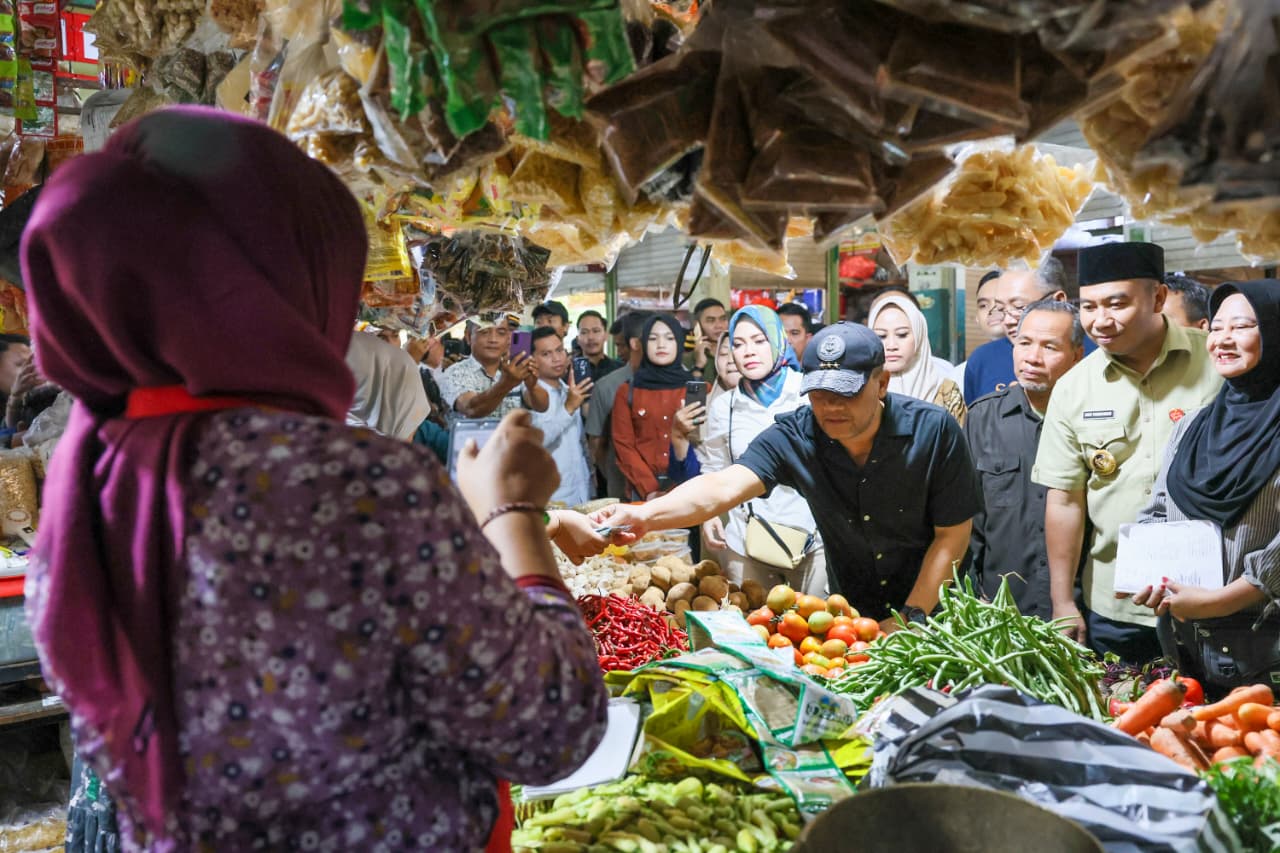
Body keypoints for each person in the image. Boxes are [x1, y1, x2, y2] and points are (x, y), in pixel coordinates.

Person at [20, 108, 609, 852]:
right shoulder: (355, 483)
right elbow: (551, 727)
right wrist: (513, 511)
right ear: (280, 283)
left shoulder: (89, 469)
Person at [594, 323, 983, 629]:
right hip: (855, 614)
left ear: (881, 383)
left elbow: (953, 536)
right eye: (819, 394)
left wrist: (911, 620)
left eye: (844, 393)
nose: (830, 406)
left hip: (937, 613)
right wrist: (645, 514)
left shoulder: (934, 431)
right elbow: (724, 485)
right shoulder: (796, 435)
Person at [1034, 241, 1223, 662]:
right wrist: (1063, 601)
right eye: (1088, 306)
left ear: (1157, 297)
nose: (1100, 321)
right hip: (1117, 605)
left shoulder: (1215, 364)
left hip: (1214, 597)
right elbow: (1065, 500)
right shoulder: (1073, 387)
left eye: (1116, 304)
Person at [1131, 282, 1280, 691]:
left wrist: (1218, 602)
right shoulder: (1192, 425)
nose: (1223, 340)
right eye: (1216, 328)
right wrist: (1147, 576)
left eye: (1243, 326)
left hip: (1265, 648)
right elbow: (1159, 509)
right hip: (1187, 643)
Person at [965, 300, 1086, 619]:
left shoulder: (1092, 420)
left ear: (1077, 355)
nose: (1032, 357)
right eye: (1024, 343)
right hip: (1000, 613)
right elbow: (969, 526)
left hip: (1079, 610)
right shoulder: (982, 417)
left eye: (1049, 346)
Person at [699, 306, 826, 595]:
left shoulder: (808, 391)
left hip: (814, 537)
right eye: (739, 344)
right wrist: (709, 516)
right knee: (753, 628)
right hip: (745, 539)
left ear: (778, 341)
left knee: (816, 632)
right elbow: (715, 468)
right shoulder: (725, 406)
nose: (748, 352)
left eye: (759, 340)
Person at [963, 259, 1075, 406]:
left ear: (1058, 301)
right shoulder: (982, 361)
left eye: (1018, 307)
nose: (1008, 321)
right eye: (1001, 309)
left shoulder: (1094, 357)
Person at [613, 313, 694, 500]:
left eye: (669, 338)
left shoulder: (696, 390)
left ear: (679, 343)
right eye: (653, 338)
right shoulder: (627, 392)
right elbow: (623, 446)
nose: (661, 345)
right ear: (642, 345)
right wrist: (649, 489)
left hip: (689, 488)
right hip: (642, 493)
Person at [868, 293, 967, 424]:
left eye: (902, 334)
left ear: (919, 335)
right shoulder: (862, 389)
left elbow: (960, 442)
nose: (891, 345)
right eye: (881, 336)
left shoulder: (946, 392)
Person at [586, 311, 650, 499]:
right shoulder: (607, 387)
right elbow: (596, 444)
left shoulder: (679, 382)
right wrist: (616, 476)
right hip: (623, 494)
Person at [530, 327, 594, 507]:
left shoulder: (569, 391)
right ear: (532, 360)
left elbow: (580, 443)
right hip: (551, 498)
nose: (557, 358)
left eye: (559, 350)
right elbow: (537, 441)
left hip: (581, 492)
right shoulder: (528, 395)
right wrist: (568, 408)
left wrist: (590, 476)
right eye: (546, 354)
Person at [440, 319, 549, 423]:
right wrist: (506, 383)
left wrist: (532, 387)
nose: (493, 339)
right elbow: (471, 409)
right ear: (468, 336)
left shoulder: (515, 369)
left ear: (508, 339)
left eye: (501, 333)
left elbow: (542, 406)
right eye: (484, 332)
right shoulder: (454, 372)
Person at [954, 270, 1005, 399]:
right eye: (983, 305)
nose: (992, 310)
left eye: (1000, 302)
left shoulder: (1034, 363)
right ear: (976, 317)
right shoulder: (959, 374)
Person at [686, 298, 728, 385]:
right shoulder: (687, 360)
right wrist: (698, 366)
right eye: (711, 320)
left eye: (723, 319)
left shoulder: (736, 353)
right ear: (697, 325)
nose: (719, 325)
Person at [575, 310, 622, 381]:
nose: (590, 337)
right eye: (584, 332)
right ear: (577, 339)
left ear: (606, 335)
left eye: (596, 331)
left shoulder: (620, 370)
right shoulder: (569, 372)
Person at [708, 331, 741, 405]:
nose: (730, 360)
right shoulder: (704, 408)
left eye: (737, 352)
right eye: (724, 353)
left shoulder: (771, 408)